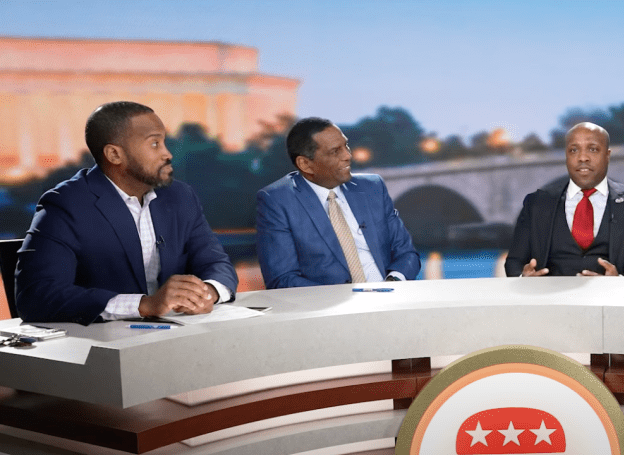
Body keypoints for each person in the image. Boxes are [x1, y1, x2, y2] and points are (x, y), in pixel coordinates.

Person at [15, 101, 237, 324]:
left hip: (177, 338)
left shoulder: (180, 196)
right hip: (103, 347)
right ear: (114, 154)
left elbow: (218, 265)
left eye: (164, 142)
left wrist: (208, 292)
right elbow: (37, 296)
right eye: (154, 144)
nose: (167, 154)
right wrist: (145, 305)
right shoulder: (66, 204)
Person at [256, 117, 420, 288]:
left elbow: (407, 254)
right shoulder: (276, 200)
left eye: (346, 146)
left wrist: (393, 282)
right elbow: (282, 279)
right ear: (305, 164)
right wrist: (348, 298)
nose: (348, 156)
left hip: (390, 297)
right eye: (335, 151)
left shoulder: (373, 188)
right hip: (331, 306)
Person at [504, 122, 624, 277]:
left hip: (613, 302)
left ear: (607, 155)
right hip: (552, 302)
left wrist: (620, 281)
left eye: (593, 149)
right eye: (573, 150)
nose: (582, 157)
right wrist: (523, 278)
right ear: (566, 156)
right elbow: (514, 262)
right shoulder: (536, 203)